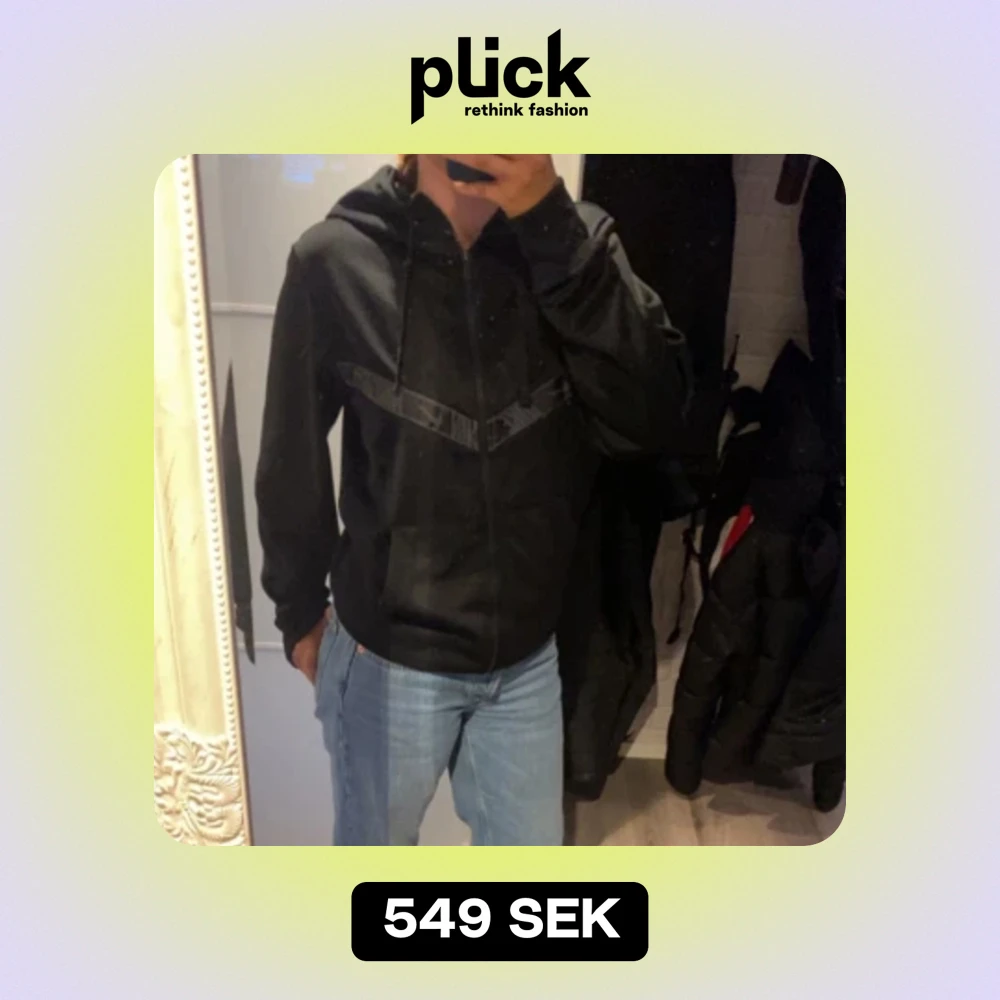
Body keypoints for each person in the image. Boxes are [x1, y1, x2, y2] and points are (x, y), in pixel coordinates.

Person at [255, 154, 691, 846]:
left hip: (525, 661)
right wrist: (298, 608)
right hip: (386, 659)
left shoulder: (579, 246)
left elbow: (655, 418)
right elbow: (291, 453)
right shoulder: (336, 259)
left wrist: (551, 228)